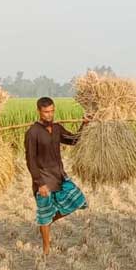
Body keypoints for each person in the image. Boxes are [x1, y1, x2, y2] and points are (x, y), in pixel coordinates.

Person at [24, 97, 88, 256]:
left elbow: (73, 140)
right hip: (43, 179)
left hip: (59, 175)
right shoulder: (33, 132)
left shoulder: (57, 128)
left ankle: (47, 221)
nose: (49, 115)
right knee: (44, 214)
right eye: (46, 112)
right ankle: (46, 249)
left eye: (52, 111)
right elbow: (30, 160)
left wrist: (84, 125)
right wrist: (40, 184)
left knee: (79, 200)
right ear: (39, 111)